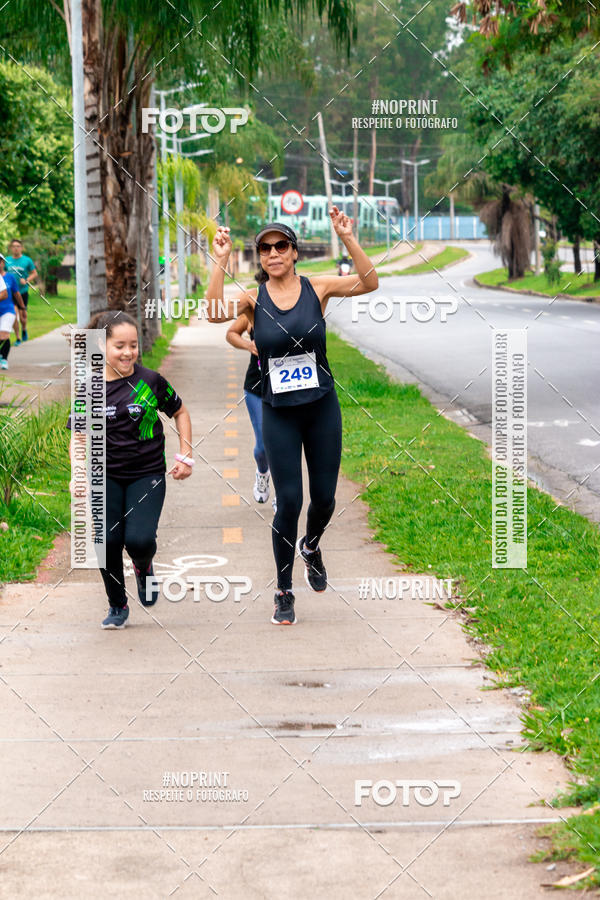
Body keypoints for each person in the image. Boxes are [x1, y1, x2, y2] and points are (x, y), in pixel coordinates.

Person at [205, 207, 378, 625]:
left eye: (280, 246)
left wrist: (347, 237)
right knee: (289, 502)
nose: (272, 253)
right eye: (265, 249)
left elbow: (369, 282)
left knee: (324, 499)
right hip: (278, 411)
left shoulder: (316, 287)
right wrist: (220, 261)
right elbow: (213, 314)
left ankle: (312, 546)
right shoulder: (253, 298)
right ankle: (284, 591)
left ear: (294, 252)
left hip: (320, 407)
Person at [67, 310, 193, 629]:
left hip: (147, 473)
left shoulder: (149, 381)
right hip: (104, 474)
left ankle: (143, 565)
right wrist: (77, 472)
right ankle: (117, 605)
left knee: (138, 540)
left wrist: (185, 455)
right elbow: (79, 435)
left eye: (133, 345)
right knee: (106, 541)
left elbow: (180, 411)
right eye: (120, 346)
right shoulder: (89, 388)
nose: (128, 353)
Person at [226, 313, 276, 511]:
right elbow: (231, 333)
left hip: (289, 386)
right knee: (264, 445)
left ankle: (282, 495)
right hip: (257, 387)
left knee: (285, 446)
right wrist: (249, 345)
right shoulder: (255, 303)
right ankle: (262, 473)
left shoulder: (298, 298)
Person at [5, 238, 37, 344]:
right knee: (14, 314)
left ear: (21, 248)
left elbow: (34, 273)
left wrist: (27, 280)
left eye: (18, 246)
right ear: (11, 248)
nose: (16, 248)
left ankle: (24, 329)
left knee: (23, 316)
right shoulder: (7, 260)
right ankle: (18, 337)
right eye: (14, 246)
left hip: (23, 291)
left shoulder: (27, 260)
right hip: (11, 293)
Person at [0, 254, 24, 370]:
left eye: (0, 261)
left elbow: (16, 293)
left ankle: (4, 359)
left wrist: (22, 307)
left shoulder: (9, 277)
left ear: (3, 263)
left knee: (4, 334)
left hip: (7, 309)